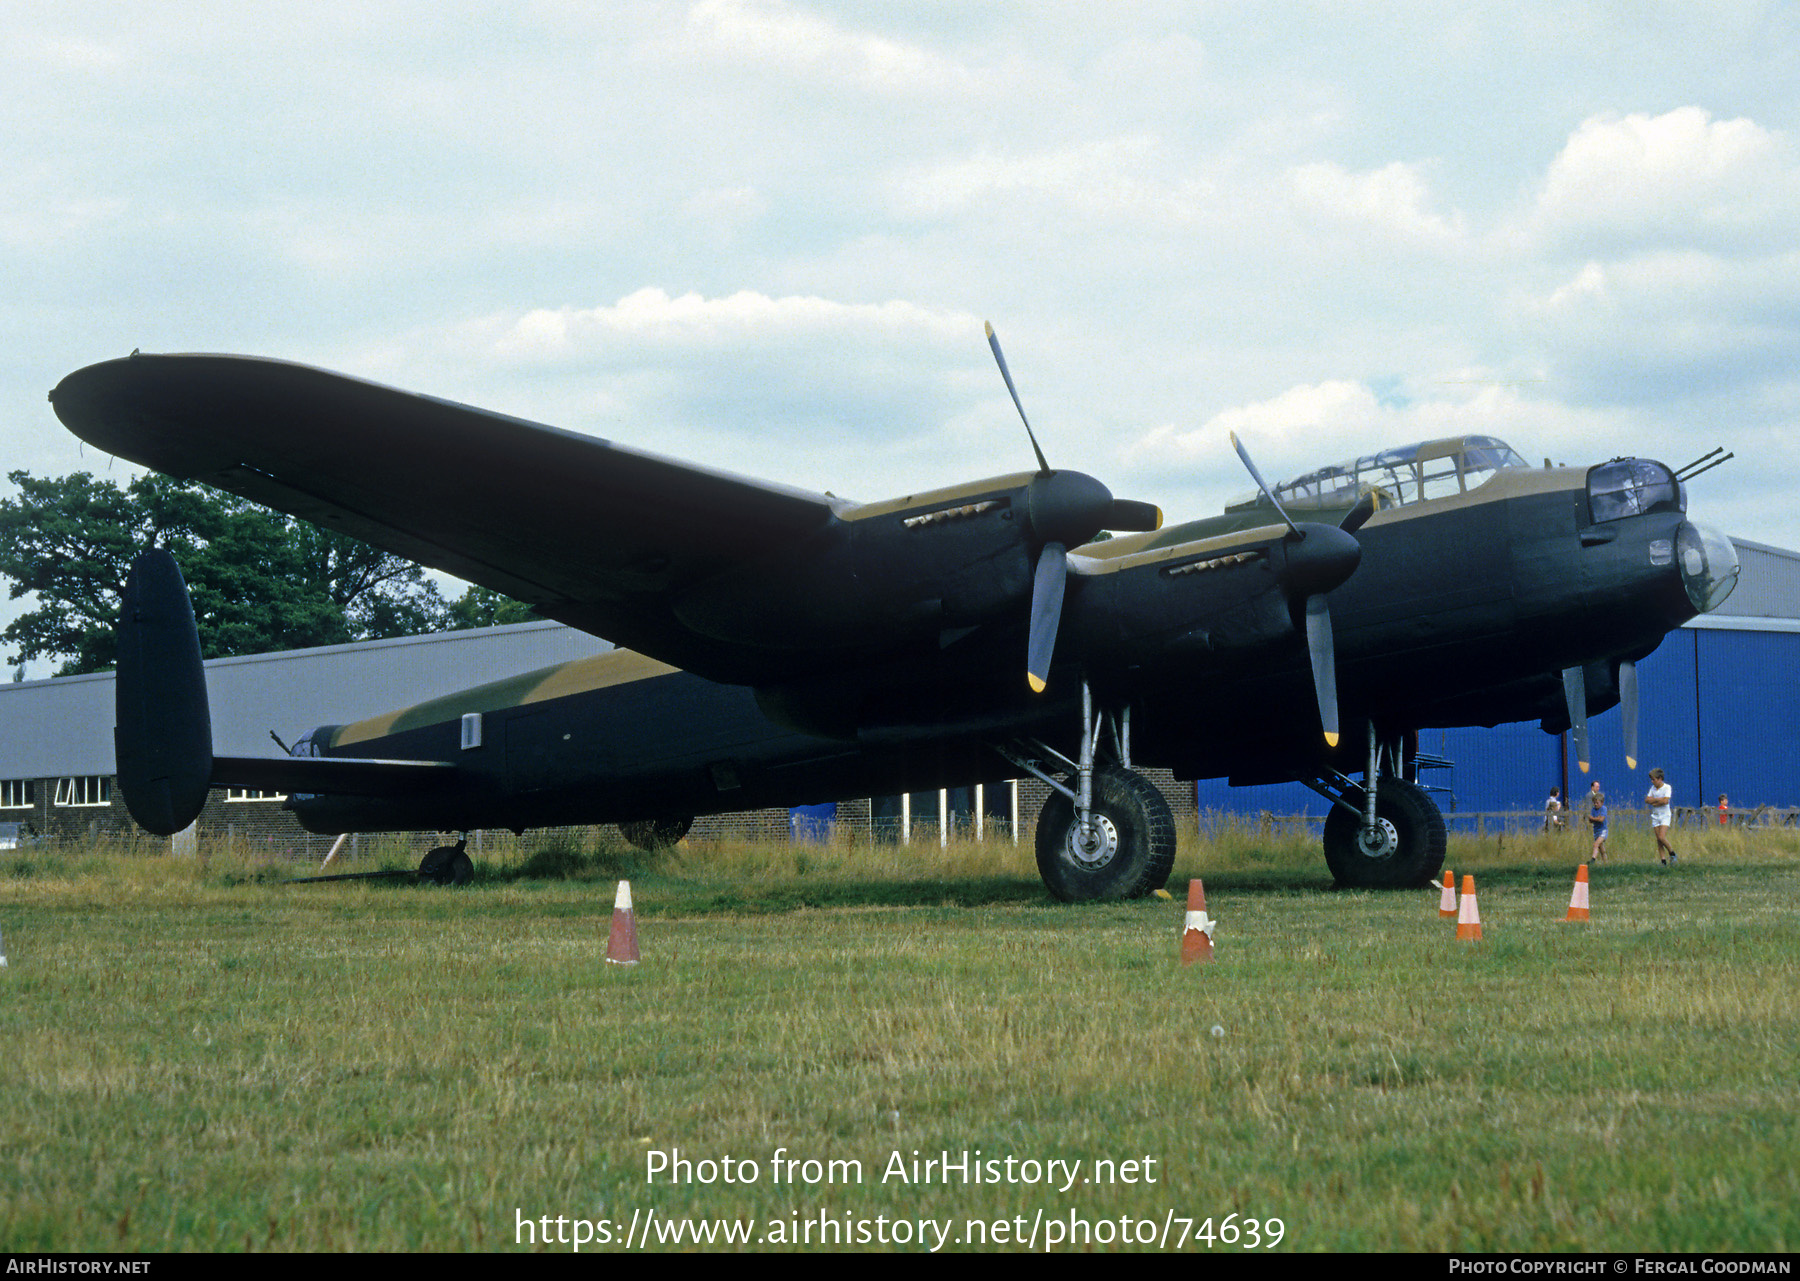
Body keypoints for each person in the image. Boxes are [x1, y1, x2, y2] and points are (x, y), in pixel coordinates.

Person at [1647, 768, 1676, 864]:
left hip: (1664, 816)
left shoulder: (1667, 787)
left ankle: (1672, 852)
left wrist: (1654, 801)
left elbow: (1665, 801)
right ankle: (1663, 860)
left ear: (1660, 779)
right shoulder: (1652, 788)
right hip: (1655, 816)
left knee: (1661, 837)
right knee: (1658, 840)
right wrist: (1659, 800)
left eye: (1654, 779)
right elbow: (1647, 800)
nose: (1652, 781)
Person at [1586, 781, 1608, 862]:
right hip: (1596, 831)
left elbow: (1601, 819)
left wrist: (1594, 818)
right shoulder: (1593, 810)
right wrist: (1596, 818)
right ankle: (1606, 863)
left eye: (1597, 803)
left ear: (1602, 803)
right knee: (1601, 849)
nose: (1595, 804)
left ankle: (1593, 859)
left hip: (1603, 831)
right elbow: (1590, 820)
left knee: (1595, 844)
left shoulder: (1603, 809)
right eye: (1594, 803)